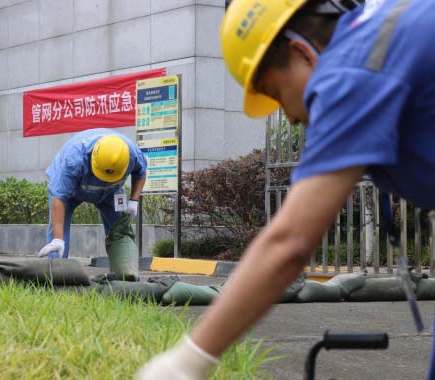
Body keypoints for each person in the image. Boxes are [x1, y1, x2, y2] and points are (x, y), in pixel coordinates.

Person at [136, 0, 435, 378]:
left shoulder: (351, 75)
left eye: (277, 94)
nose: (291, 118)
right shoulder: (386, 33)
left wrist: (187, 361)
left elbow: (289, 243)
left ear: (301, 52)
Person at [38, 128, 147, 259]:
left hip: (111, 193)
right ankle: (55, 273)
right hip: (73, 190)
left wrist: (134, 200)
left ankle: (126, 274)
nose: (104, 180)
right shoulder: (75, 158)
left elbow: (141, 173)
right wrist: (57, 239)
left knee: (120, 231)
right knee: (58, 235)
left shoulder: (133, 154)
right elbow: (60, 198)